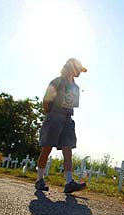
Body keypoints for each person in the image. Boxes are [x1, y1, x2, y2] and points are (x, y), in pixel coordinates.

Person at [35, 58, 87, 193]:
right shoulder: (57, 82)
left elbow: (72, 104)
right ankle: (39, 179)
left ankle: (69, 182)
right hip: (54, 116)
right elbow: (46, 100)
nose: (80, 73)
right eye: (79, 70)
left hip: (68, 118)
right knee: (47, 148)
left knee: (68, 149)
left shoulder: (76, 87)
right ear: (71, 67)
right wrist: (50, 115)